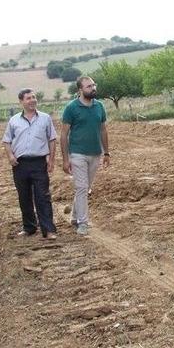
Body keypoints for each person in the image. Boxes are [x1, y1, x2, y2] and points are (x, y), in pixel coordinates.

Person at [3, 89, 58, 240]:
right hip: (20, 164)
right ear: (21, 102)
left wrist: (51, 160)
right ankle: (29, 227)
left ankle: (49, 229)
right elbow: (6, 140)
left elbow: (52, 139)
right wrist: (10, 156)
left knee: (43, 196)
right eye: (28, 98)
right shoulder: (14, 120)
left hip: (39, 163)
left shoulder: (45, 118)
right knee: (24, 196)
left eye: (34, 97)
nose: (32, 100)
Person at [61, 76, 109, 236]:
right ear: (80, 90)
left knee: (85, 187)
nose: (93, 88)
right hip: (77, 153)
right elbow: (64, 134)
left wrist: (106, 152)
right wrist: (66, 159)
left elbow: (103, 129)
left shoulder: (99, 106)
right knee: (81, 187)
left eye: (94, 85)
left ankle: (75, 217)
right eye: (89, 86)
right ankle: (83, 223)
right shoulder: (71, 108)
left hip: (95, 153)